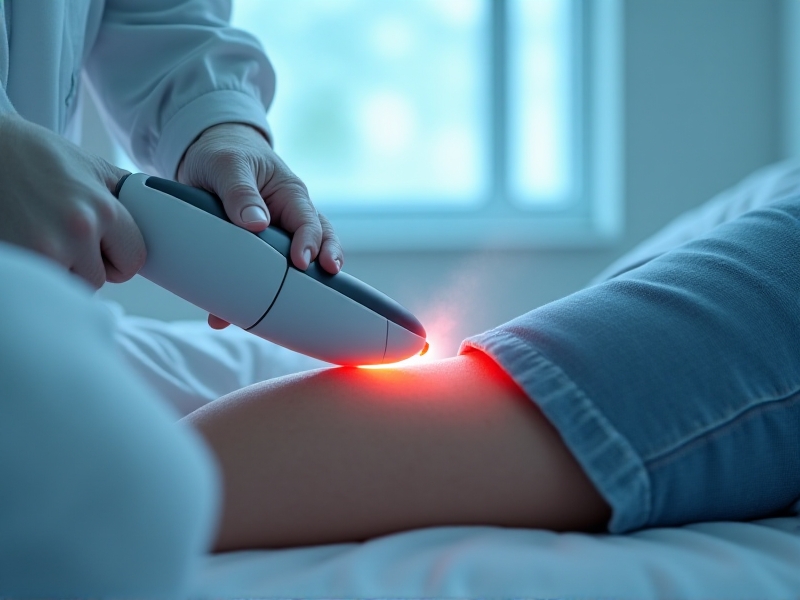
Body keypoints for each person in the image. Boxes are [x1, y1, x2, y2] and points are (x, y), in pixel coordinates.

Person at [0, 1, 339, 596]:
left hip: (40, 306)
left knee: (308, 382)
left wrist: (218, 126)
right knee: (145, 498)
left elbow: (160, 12)